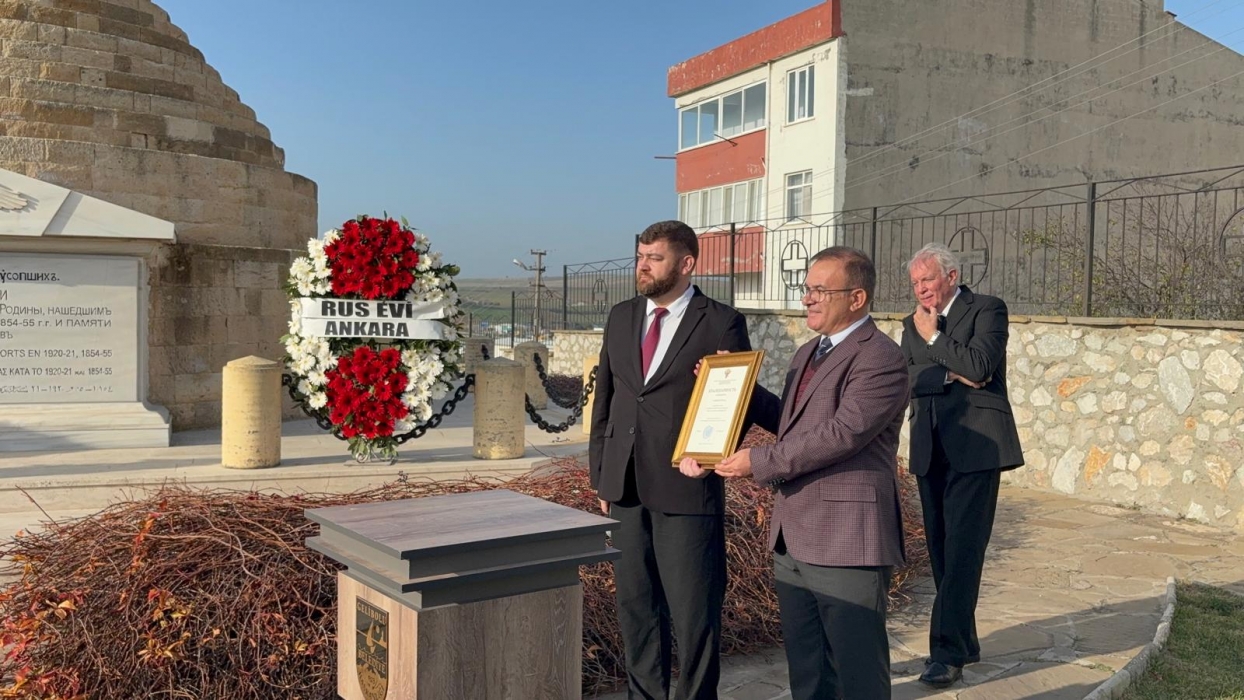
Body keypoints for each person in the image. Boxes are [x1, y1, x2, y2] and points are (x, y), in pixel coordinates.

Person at [692, 246, 908, 700]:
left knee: (857, 671)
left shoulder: (880, 357)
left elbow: (841, 434)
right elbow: (790, 425)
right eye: (807, 288)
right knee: (808, 671)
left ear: (856, 298)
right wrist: (734, 383)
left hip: (847, 537)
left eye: (820, 290)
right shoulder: (808, 352)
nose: (807, 298)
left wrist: (757, 462)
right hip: (793, 534)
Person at [589, 220, 751, 700]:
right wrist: (601, 477)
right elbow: (607, 399)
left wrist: (713, 454)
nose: (642, 266)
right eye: (640, 256)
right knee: (636, 607)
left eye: (654, 258)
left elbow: (735, 400)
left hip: (686, 485)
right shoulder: (621, 316)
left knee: (693, 611)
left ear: (686, 264)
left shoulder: (720, 321)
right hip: (625, 486)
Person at [901, 242, 1024, 689]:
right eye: (915, 282)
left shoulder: (988, 309)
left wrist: (935, 341)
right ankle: (964, 641)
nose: (921, 289)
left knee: (963, 552)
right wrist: (951, 373)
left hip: (977, 450)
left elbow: (981, 364)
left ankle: (946, 653)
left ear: (951, 276)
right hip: (929, 448)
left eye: (927, 279)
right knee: (941, 552)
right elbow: (907, 378)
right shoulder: (911, 323)